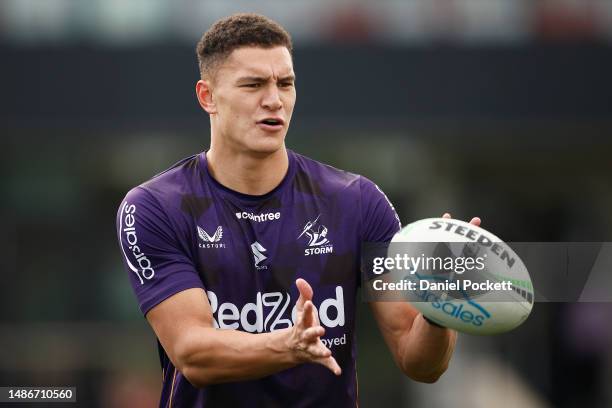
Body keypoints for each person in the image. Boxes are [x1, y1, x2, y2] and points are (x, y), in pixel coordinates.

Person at [116, 13, 479, 407]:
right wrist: (289, 344)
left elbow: (419, 362)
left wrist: (439, 309)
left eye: (285, 83)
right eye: (253, 84)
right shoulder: (156, 207)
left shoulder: (355, 201)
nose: (274, 99)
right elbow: (192, 352)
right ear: (207, 97)